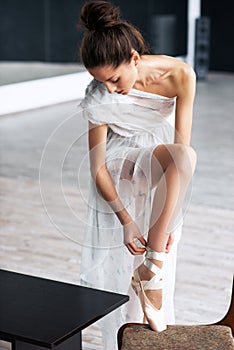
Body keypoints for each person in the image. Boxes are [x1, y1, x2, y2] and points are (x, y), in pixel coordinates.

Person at [78, 0, 197, 348]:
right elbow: (97, 167)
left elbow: (181, 154)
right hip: (120, 164)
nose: (111, 89)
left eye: (114, 79)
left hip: (157, 161)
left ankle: (150, 270)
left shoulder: (181, 75)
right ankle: (148, 278)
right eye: (102, 82)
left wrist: (171, 220)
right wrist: (127, 220)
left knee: (185, 155)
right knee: (120, 265)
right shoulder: (98, 96)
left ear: (133, 58)